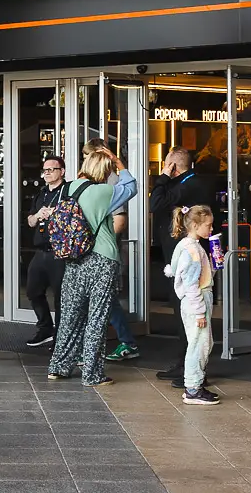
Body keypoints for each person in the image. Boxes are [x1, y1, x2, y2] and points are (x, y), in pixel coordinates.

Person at [47, 147, 122, 387]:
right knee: (97, 318)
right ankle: (92, 374)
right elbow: (132, 186)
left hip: (74, 258)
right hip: (102, 259)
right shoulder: (106, 191)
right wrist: (118, 162)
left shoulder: (69, 187)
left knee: (69, 315)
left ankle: (58, 367)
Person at [149, 147, 216, 381]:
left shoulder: (190, 185)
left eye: (167, 164)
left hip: (190, 261)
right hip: (177, 258)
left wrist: (162, 178)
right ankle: (184, 364)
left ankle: (195, 372)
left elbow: (155, 203)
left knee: (190, 314)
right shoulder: (183, 184)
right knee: (180, 313)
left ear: (173, 166)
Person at [168, 204, 218, 405]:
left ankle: (194, 384)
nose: (211, 229)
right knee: (200, 344)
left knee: (203, 342)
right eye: (208, 225)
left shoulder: (189, 247)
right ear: (196, 225)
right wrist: (199, 312)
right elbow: (191, 283)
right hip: (196, 301)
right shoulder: (193, 251)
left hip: (195, 300)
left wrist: (213, 265)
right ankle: (193, 388)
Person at [24, 155, 69, 349]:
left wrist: (55, 214)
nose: (47, 173)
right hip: (41, 249)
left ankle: (61, 336)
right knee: (33, 291)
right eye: (45, 170)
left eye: (52, 169)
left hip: (59, 252)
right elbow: (30, 221)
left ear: (62, 171)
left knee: (61, 296)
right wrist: (37, 215)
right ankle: (45, 327)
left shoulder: (68, 192)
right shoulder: (41, 194)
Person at [104, 145, 141, 362]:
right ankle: (127, 341)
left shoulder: (106, 183)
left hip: (101, 254)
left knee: (104, 300)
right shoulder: (93, 184)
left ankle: (126, 342)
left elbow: (120, 219)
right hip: (99, 252)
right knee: (107, 300)